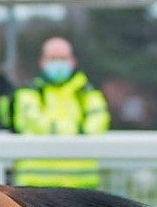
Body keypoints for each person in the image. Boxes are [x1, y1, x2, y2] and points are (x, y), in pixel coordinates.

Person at [6, 36, 110, 188]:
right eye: (53, 58)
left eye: (63, 58)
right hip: (35, 187)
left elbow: (97, 126)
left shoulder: (88, 93)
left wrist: (59, 130)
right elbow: (36, 125)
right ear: (42, 61)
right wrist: (77, 131)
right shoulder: (28, 93)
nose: (58, 63)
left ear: (73, 61)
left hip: (81, 186)